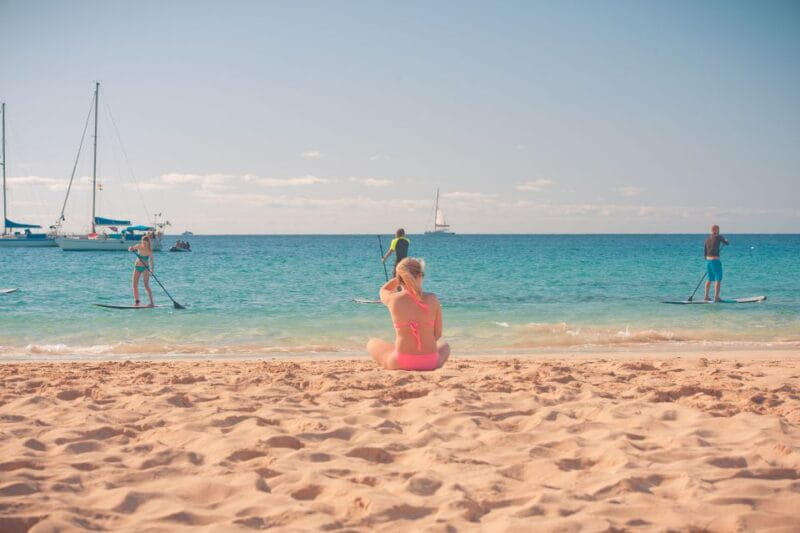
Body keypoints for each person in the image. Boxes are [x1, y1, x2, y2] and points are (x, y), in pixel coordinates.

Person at [367, 257, 450, 371]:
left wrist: (399, 278)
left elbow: (384, 290)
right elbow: (437, 334)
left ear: (400, 278)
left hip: (401, 362)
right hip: (430, 362)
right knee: (445, 345)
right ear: (420, 276)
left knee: (372, 343)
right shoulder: (433, 299)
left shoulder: (393, 299)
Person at [703, 224, 729, 302]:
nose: (719, 231)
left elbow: (704, 252)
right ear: (714, 230)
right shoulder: (718, 237)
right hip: (715, 260)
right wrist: (726, 240)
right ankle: (716, 297)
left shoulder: (707, 239)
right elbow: (726, 243)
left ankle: (706, 296)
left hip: (708, 261)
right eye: (718, 229)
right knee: (718, 278)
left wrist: (708, 260)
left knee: (709, 278)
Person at [128, 234, 155, 307]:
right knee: (134, 285)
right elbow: (130, 249)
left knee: (146, 286)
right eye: (143, 242)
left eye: (145, 243)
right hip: (137, 267)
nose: (143, 244)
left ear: (148, 242)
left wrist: (152, 271)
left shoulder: (149, 251)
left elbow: (152, 261)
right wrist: (131, 248)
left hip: (145, 268)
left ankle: (152, 303)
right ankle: (137, 302)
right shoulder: (139, 246)